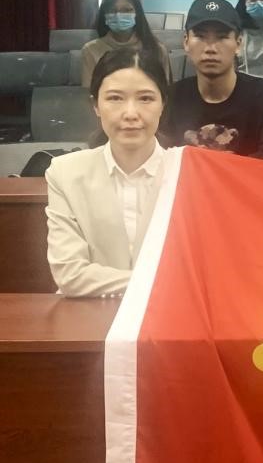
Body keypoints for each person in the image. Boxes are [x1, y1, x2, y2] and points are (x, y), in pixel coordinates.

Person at [46, 48, 170, 297]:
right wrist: (160, 281)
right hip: (88, 312)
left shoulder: (187, 172)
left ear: (163, 105)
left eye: (145, 98)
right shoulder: (65, 173)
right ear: (95, 105)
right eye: (115, 98)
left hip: (167, 313)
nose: (131, 113)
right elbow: (70, 274)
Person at [161, 0, 263, 162]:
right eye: (200, 36)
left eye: (222, 37)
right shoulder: (168, 100)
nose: (210, 48)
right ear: (186, 42)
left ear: (239, 43)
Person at [82, 0, 169, 88]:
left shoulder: (156, 49)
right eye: (112, 10)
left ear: (137, 13)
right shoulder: (91, 50)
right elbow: (89, 91)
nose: (119, 15)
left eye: (127, 10)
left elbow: (164, 91)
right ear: (104, 15)